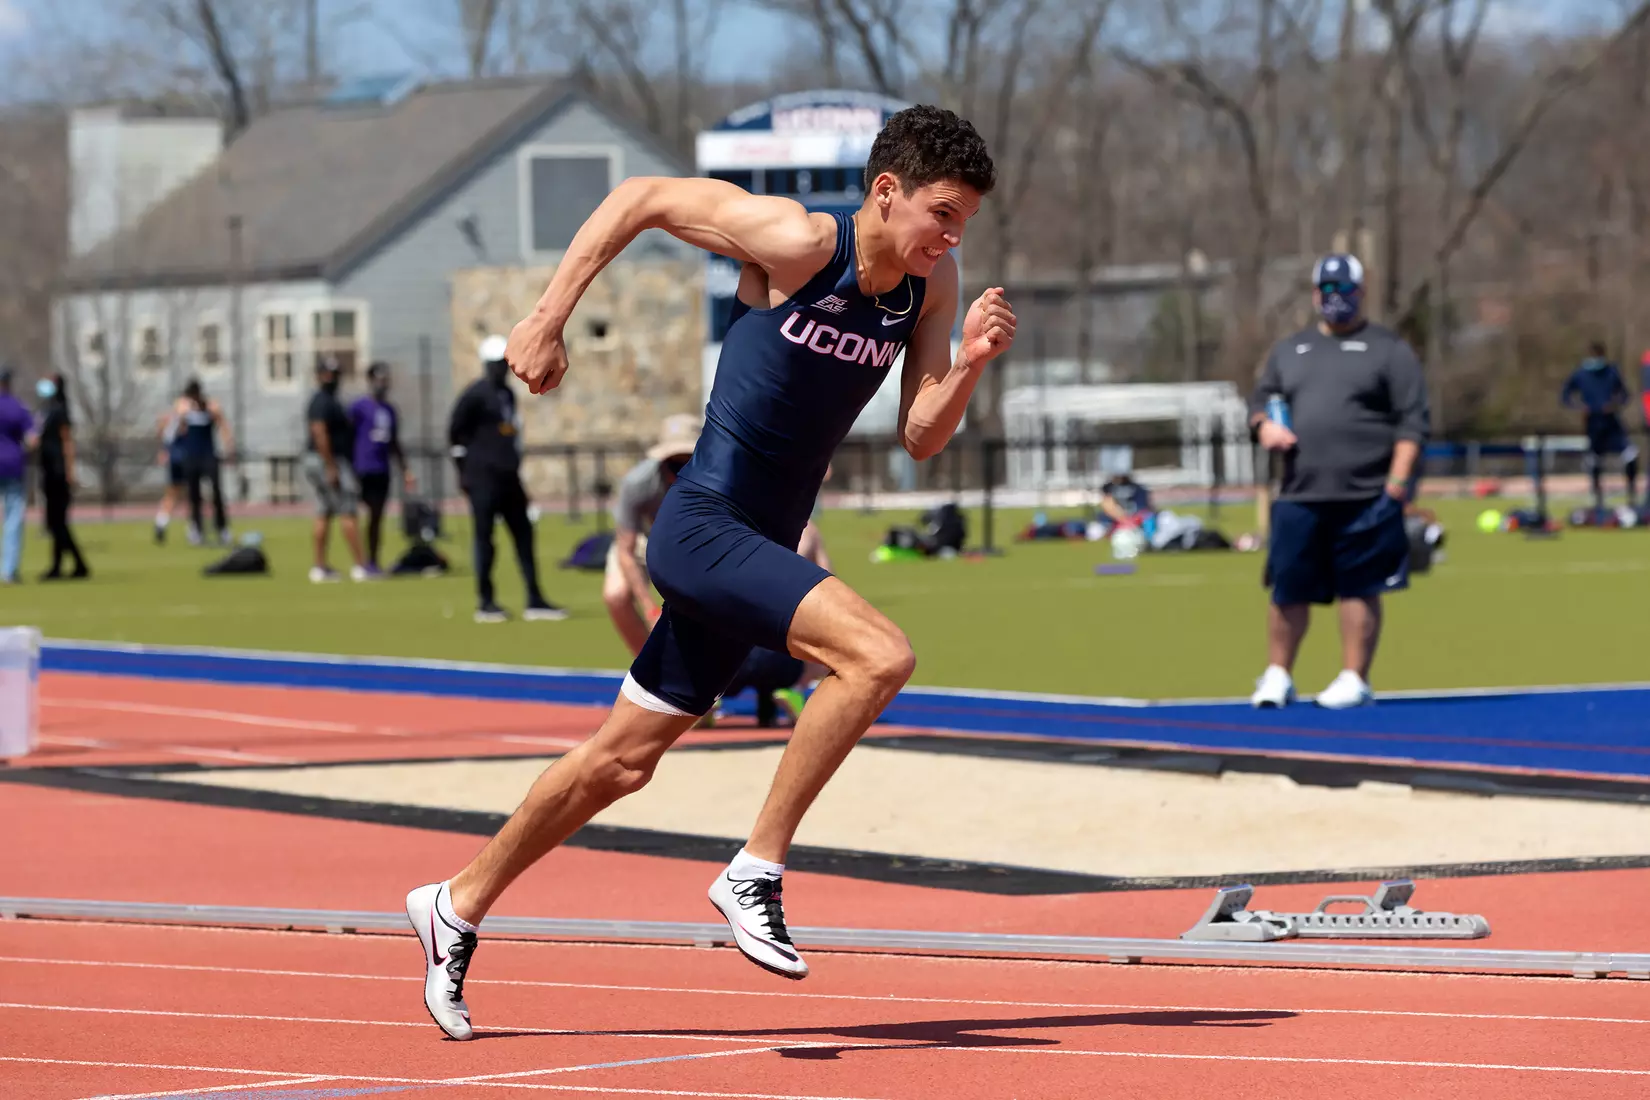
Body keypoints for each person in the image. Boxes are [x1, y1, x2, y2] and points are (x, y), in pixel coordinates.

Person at [405, 104, 1012, 1040]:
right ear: (886, 193)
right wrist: (546, 316)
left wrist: (967, 361)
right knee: (879, 657)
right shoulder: (801, 242)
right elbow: (640, 197)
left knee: (619, 762)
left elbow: (921, 437)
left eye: (964, 219)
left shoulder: (930, 287)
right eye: (942, 212)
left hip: (759, 547)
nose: (951, 234)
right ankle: (754, 870)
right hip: (703, 527)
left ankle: (454, 904)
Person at [1248, 253, 1429, 710]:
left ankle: (1354, 677)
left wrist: (1396, 485)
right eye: (1327, 292)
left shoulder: (1388, 350)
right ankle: (1278, 675)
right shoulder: (1290, 351)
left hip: (1366, 494)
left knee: (1360, 588)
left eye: (1344, 291)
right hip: (1299, 493)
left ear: (1360, 293)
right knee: (1287, 587)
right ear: (1314, 295)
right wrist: (1264, 427)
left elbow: (1413, 423)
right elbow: (1262, 401)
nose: (1336, 300)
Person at [447, 336, 567, 624]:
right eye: (498, 364)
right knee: (485, 539)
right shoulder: (475, 395)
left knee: (524, 536)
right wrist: (464, 472)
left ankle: (534, 599)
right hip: (483, 478)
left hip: (508, 477)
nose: (502, 369)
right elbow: (455, 433)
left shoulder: (507, 394)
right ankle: (486, 602)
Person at [302, 357, 370, 583]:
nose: (333, 378)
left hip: (321, 460)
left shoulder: (329, 399)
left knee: (324, 511)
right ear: (320, 375)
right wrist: (331, 465)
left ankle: (319, 567)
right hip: (327, 460)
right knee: (347, 509)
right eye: (328, 374)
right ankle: (361, 565)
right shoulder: (322, 401)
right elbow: (319, 432)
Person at [350, 361, 414, 575]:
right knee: (352, 515)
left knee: (376, 517)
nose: (382, 384)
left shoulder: (389, 410)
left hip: (381, 469)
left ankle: (372, 561)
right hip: (361, 468)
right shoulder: (358, 407)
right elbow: (347, 436)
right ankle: (358, 561)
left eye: (385, 380)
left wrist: (405, 469)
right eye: (378, 380)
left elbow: (394, 442)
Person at [1561, 342, 1638, 515]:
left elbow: (1625, 394)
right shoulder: (1580, 374)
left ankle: (1631, 496)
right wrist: (1580, 406)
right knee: (1595, 459)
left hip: (1612, 422)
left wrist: (1615, 404)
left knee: (1630, 454)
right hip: (1593, 423)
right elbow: (1565, 395)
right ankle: (1598, 500)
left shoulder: (1611, 372)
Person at [35, 373, 88, 581]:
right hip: (47, 469)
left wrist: (70, 471)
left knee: (58, 521)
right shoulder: (45, 410)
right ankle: (63, 565)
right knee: (55, 522)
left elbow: (67, 442)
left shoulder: (60, 410)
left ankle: (73, 565)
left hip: (58, 471)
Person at [175, 379, 234, 547]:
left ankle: (222, 528)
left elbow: (223, 425)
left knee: (216, 492)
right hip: (191, 456)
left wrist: (229, 446)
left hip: (208, 455)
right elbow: (177, 427)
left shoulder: (210, 408)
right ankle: (196, 528)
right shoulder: (185, 410)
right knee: (194, 495)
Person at [0, 366, 35, 584]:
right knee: (13, 518)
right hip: (13, 465)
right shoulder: (18, 408)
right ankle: (8, 570)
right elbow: (32, 439)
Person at [153, 405, 187, 544]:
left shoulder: (169, 423)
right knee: (183, 494)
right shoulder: (181, 421)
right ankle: (194, 528)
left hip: (175, 459)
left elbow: (163, 438)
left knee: (173, 494)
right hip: (184, 459)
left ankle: (161, 522)